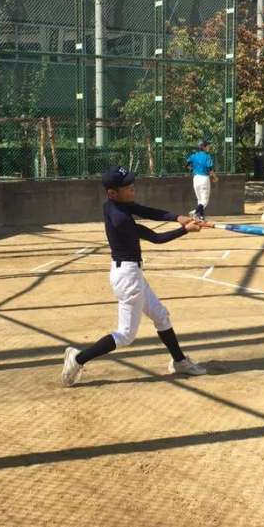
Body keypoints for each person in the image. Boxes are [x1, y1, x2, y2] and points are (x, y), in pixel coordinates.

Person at [61, 166, 208, 387]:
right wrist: (185, 230)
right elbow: (155, 238)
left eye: (132, 185)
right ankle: (78, 358)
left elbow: (146, 211)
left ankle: (179, 361)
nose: (132, 189)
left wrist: (178, 218)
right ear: (112, 193)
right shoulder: (120, 218)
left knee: (161, 316)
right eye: (127, 187)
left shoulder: (113, 204)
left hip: (131, 273)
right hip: (128, 277)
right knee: (126, 335)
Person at [186, 140, 218, 220]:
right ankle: (194, 212)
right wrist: (215, 177)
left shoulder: (194, 156)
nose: (209, 147)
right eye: (207, 146)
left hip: (196, 178)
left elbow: (187, 166)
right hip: (204, 179)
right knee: (204, 201)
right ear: (203, 147)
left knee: (200, 200)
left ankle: (200, 217)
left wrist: (193, 170)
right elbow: (210, 169)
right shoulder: (207, 156)